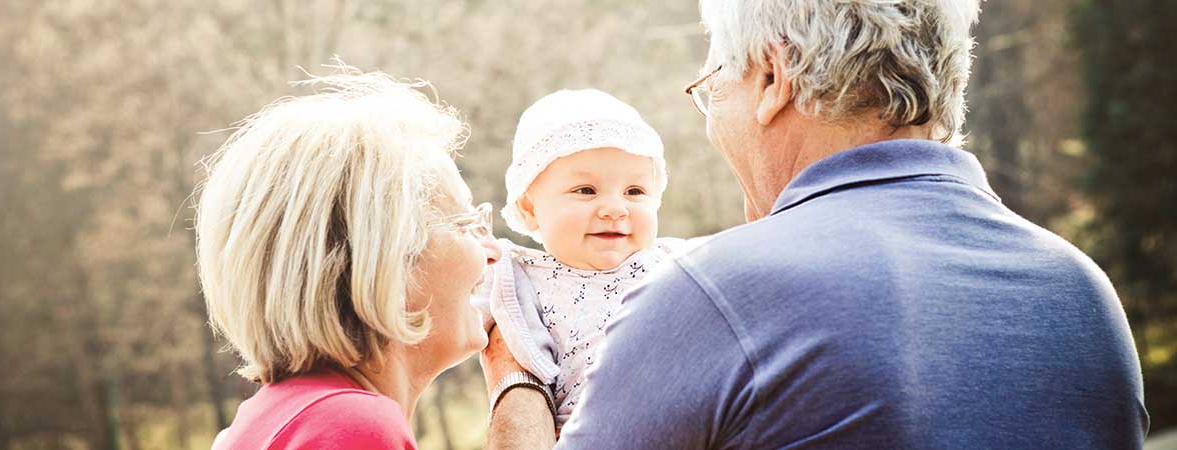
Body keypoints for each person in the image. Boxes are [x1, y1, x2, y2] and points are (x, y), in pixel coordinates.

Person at [482, 1, 1149, 449]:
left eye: (713, 86)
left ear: (773, 78)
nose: (711, 117)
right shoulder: (1082, 292)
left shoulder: (709, 295)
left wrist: (513, 368)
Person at [196, 70, 501, 450]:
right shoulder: (352, 428)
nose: (494, 251)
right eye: (466, 225)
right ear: (387, 258)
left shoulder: (274, 420)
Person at [475, 89, 686, 430]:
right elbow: (445, 318)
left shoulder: (677, 263)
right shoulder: (518, 277)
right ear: (530, 209)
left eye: (634, 192)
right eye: (586, 190)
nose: (615, 209)